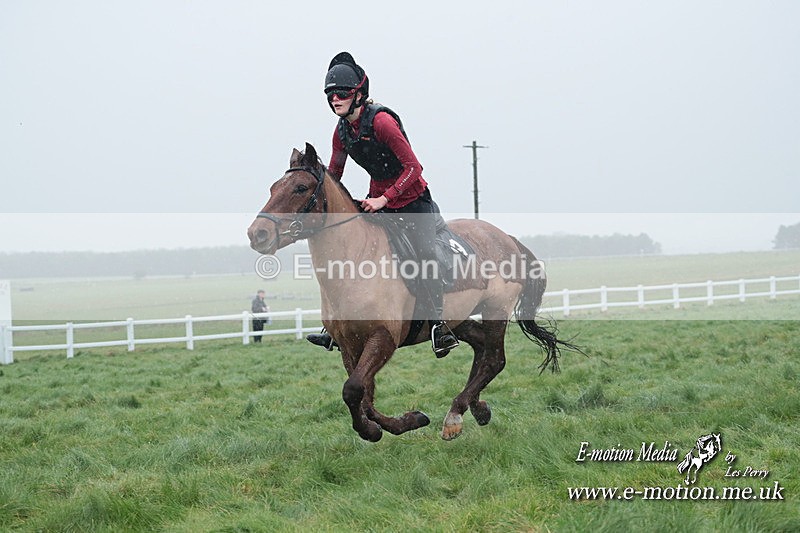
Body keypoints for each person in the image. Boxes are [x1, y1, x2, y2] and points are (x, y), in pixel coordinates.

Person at [306, 51, 459, 357]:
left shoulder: (383, 122)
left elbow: (414, 168)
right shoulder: (341, 132)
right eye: (330, 95)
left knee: (426, 256)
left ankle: (439, 327)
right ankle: (336, 325)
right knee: (352, 250)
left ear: (359, 94)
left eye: (341, 94)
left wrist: (384, 198)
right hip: (379, 203)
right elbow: (334, 175)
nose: (335, 99)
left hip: (414, 203)